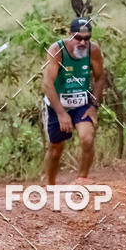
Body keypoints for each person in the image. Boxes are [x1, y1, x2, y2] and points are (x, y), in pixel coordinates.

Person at [42, 18, 105, 186]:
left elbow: (100, 78)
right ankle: (50, 185)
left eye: (87, 38)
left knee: (87, 138)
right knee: (56, 148)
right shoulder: (57, 50)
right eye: (78, 38)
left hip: (81, 103)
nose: (83, 42)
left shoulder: (93, 50)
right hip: (57, 104)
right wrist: (61, 113)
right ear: (70, 35)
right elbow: (47, 84)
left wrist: (94, 106)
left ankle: (82, 180)